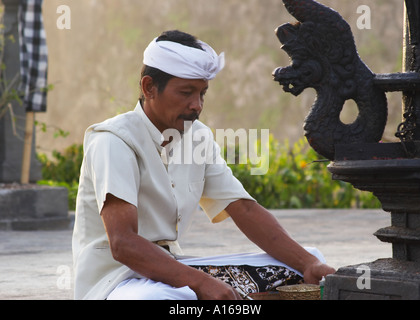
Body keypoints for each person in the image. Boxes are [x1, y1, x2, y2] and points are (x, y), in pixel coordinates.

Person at [72, 30, 335, 300]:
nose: (197, 106)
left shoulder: (198, 137)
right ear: (148, 87)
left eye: (202, 94)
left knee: (306, 263)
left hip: (172, 271)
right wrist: (201, 284)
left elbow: (242, 207)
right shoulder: (114, 141)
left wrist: (308, 265)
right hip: (118, 282)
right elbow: (123, 244)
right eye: (186, 93)